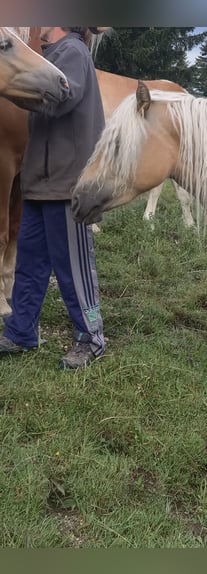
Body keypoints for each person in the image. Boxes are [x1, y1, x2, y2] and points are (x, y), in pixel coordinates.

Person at [0, 27, 106, 369]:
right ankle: (21, 331)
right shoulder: (48, 55)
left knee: (73, 269)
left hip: (65, 183)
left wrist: (12, 87)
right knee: (29, 265)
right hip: (38, 183)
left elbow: (61, 98)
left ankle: (91, 338)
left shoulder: (72, 51)